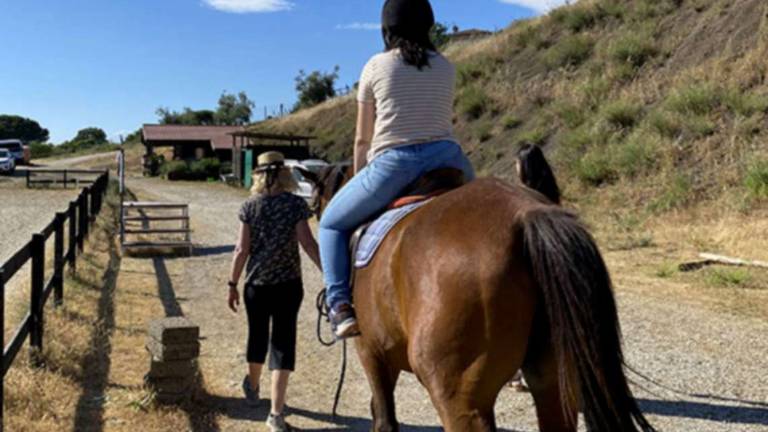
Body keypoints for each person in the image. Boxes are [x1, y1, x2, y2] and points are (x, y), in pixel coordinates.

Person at [318, 0, 475, 339]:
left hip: (395, 162)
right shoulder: (446, 66)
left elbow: (362, 140)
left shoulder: (375, 66)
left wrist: (358, 178)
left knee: (330, 223)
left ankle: (340, 304)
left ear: (386, 29)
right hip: (449, 158)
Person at [228, 151, 321, 432]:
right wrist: (329, 274)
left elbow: (241, 250)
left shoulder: (249, 206)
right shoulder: (295, 205)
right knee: (282, 343)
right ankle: (276, 414)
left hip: (256, 286)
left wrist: (232, 284)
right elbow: (307, 243)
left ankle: (254, 387)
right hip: (288, 286)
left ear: (257, 175)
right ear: (284, 174)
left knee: (257, 335)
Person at [509, 143, 561, 393]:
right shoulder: (551, 194)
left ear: (524, 168)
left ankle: (517, 373)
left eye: (517, 163)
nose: (515, 167)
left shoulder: (521, 198)